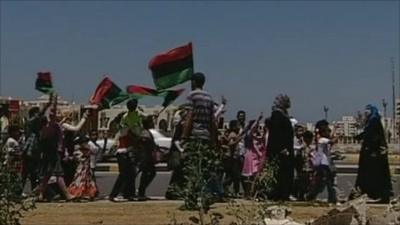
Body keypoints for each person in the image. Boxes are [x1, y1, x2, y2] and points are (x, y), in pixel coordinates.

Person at [181, 72, 218, 210]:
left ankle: (190, 200)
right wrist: (214, 140)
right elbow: (212, 121)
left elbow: (189, 117)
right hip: (206, 137)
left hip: (195, 136)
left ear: (194, 82)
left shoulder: (192, 96)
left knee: (192, 169)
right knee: (204, 169)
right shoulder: (209, 97)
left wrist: (184, 136)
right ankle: (206, 197)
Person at [350, 105, 393, 203]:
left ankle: (376, 195)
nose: (366, 113)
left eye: (367, 111)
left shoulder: (374, 121)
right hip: (373, 154)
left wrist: (369, 146)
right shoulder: (372, 121)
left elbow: (372, 136)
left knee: (373, 175)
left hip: (374, 155)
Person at [38, 103, 74, 202]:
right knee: (58, 174)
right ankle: (67, 195)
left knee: (47, 175)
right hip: (52, 153)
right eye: (54, 112)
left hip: (51, 153)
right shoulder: (50, 126)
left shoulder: (53, 126)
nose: (56, 114)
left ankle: (40, 194)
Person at [266, 94, 294, 201]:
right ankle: (279, 195)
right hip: (280, 151)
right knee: (281, 173)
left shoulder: (282, 114)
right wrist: (282, 148)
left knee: (284, 173)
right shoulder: (277, 115)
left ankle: (283, 194)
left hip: (283, 150)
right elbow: (277, 134)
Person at [21, 97, 52, 193]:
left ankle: (33, 192)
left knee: (33, 173)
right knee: (26, 173)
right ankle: (19, 191)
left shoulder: (37, 128)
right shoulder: (30, 123)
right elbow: (39, 115)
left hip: (34, 153)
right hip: (29, 152)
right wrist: (47, 104)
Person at [306, 120, 337, 204]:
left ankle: (311, 195)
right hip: (324, 165)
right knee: (328, 182)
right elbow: (332, 141)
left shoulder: (321, 140)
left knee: (323, 182)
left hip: (325, 164)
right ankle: (332, 199)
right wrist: (337, 134)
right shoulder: (322, 140)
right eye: (327, 130)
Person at [109, 112, 135, 202]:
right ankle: (114, 194)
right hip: (122, 153)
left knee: (128, 174)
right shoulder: (124, 129)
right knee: (123, 175)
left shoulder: (125, 128)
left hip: (126, 153)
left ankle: (127, 193)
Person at [165, 108, 187, 200]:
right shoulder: (181, 126)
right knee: (178, 172)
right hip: (177, 152)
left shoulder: (184, 125)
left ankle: (175, 191)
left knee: (180, 173)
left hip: (179, 151)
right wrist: (181, 150)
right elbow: (176, 140)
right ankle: (172, 192)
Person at [67, 135, 98, 200]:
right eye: (84, 143)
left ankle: (87, 194)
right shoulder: (78, 151)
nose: (85, 144)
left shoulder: (89, 150)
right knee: (79, 180)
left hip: (87, 168)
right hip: (80, 169)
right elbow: (77, 158)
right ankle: (77, 193)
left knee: (88, 181)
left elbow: (95, 151)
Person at [136, 116, 157, 201]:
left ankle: (141, 191)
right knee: (146, 174)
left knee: (149, 173)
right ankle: (141, 192)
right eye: (151, 122)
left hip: (147, 157)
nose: (152, 123)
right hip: (145, 157)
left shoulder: (147, 132)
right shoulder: (144, 133)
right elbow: (144, 145)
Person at [221, 120, 242, 198]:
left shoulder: (235, 134)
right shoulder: (233, 135)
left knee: (234, 175)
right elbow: (230, 144)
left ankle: (232, 190)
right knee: (235, 175)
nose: (239, 127)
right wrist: (237, 140)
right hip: (232, 158)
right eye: (238, 125)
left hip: (234, 157)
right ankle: (225, 186)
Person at [292, 124, 306, 200]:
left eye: (302, 131)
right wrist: (300, 147)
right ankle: (293, 193)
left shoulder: (301, 139)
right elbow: (293, 147)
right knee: (295, 177)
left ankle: (300, 194)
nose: (301, 133)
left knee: (301, 177)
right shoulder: (293, 138)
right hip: (294, 158)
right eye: (299, 131)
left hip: (299, 158)